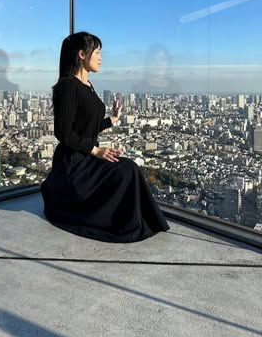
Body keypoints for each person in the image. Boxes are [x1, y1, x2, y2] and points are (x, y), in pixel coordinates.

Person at [40, 31, 171, 242]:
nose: (100, 58)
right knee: (127, 169)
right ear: (82, 54)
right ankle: (124, 222)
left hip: (87, 156)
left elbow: (87, 128)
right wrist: (95, 150)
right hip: (74, 163)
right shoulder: (68, 86)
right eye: (97, 52)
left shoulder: (87, 85)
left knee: (128, 168)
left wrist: (112, 119)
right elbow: (63, 133)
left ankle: (140, 220)